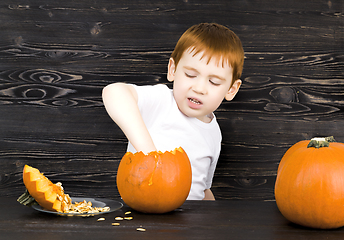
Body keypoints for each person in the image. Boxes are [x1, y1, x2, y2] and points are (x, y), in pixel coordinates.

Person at [102, 23, 244, 200]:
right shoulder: (161, 101)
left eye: (214, 82)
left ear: (231, 89)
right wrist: (150, 154)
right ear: (173, 70)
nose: (199, 88)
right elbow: (113, 92)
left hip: (190, 223)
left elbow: (203, 188)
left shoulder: (214, 133)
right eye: (191, 75)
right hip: (144, 216)